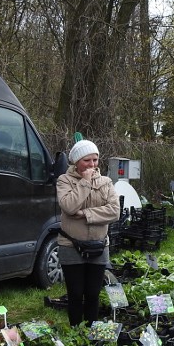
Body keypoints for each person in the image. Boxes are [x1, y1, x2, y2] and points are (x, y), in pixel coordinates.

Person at [56, 139, 120, 326]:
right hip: (71, 245)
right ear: (76, 161)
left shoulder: (106, 182)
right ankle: (75, 331)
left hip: (99, 246)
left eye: (95, 160)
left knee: (93, 294)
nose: (92, 165)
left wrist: (85, 214)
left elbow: (114, 211)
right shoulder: (64, 181)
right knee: (75, 294)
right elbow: (68, 206)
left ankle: (92, 332)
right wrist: (84, 182)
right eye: (87, 160)